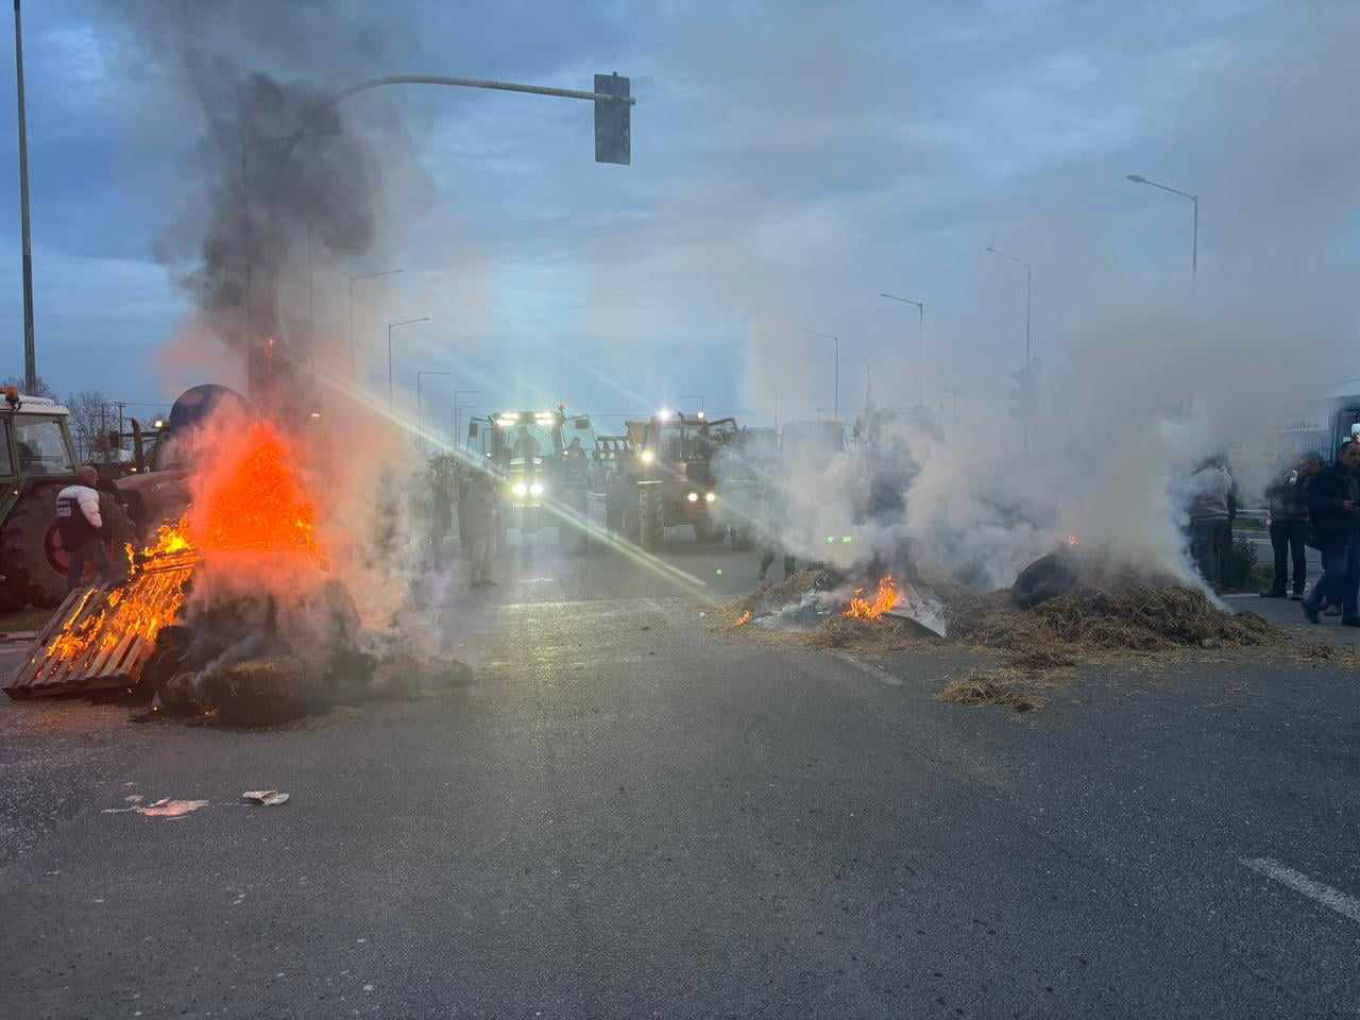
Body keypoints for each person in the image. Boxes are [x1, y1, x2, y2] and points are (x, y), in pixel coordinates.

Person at [1303, 442, 1360, 624]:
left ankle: (1350, 614)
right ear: (1341, 455)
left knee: (1353, 572)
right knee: (1336, 571)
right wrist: (1339, 504)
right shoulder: (1326, 475)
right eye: (1353, 454)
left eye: (1359, 454)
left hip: (1355, 530)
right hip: (1335, 531)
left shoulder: (1357, 475)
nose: (1356, 458)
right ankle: (1312, 600)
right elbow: (1314, 503)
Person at [1261, 453, 1321, 599]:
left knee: (1298, 555)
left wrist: (1298, 479)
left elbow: (1304, 496)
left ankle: (1298, 590)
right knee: (1279, 556)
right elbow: (1268, 492)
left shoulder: (1308, 478)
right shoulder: (1281, 476)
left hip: (1298, 520)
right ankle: (1279, 588)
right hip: (1279, 519)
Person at [56, 465, 109, 592]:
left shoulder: (63, 493)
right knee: (102, 565)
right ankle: (105, 592)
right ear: (90, 478)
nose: (96, 481)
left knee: (75, 569)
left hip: (69, 538)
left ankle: (72, 594)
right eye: (95, 478)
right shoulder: (87, 492)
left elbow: (61, 516)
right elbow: (91, 514)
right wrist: (102, 531)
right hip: (88, 537)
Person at [1187, 457, 1232, 592]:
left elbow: (1189, 496)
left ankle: (1207, 584)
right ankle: (1216, 583)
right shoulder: (1224, 476)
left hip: (1203, 518)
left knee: (1204, 553)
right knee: (1215, 552)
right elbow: (1231, 489)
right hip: (1222, 518)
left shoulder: (1197, 478)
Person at [463, 467, 498, 588]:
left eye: (491, 477)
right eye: (488, 477)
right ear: (482, 478)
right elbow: (469, 508)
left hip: (491, 527)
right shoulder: (474, 489)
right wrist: (485, 512)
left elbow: (495, 505)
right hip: (479, 528)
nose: (491, 479)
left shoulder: (493, 489)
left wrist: (495, 514)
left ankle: (487, 577)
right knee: (478, 554)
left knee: (490, 552)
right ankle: (475, 579)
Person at [757, 478, 796, 582]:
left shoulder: (792, 489)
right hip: (776, 524)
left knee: (790, 550)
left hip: (790, 524)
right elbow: (766, 506)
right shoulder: (774, 490)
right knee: (772, 551)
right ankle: (762, 570)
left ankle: (789, 575)